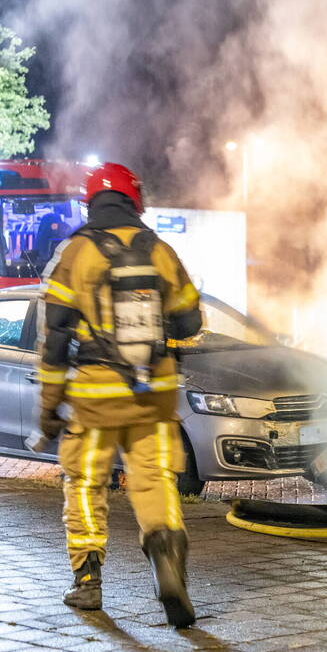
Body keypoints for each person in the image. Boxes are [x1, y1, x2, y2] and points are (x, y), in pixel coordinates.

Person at [36, 162, 203, 628]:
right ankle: (168, 562)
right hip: (156, 394)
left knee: (86, 482)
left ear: (90, 201)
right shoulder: (162, 251)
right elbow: (191, 323)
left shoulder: (75, 253)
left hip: (95, 396)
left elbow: (54, 337)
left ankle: (88, 582)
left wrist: (48, 407)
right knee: (154, 481)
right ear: (136, 200)